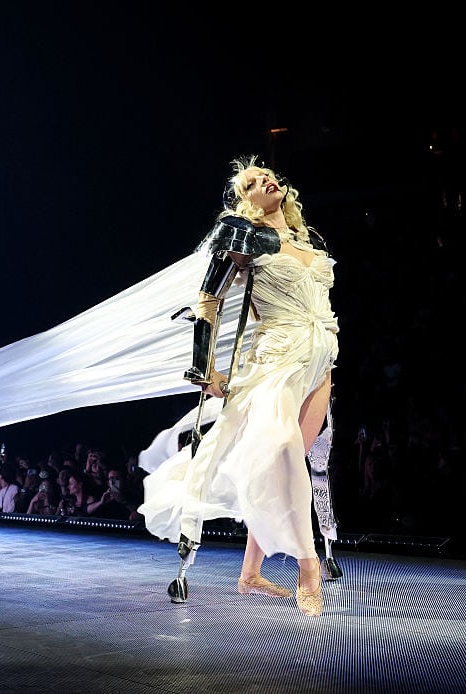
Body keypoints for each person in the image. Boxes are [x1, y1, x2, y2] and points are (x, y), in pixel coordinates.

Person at [138, 156, 339, 617]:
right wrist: (202, 371)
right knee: (285, 450)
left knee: (281, 468)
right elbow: (208, 302)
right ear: (243, 200)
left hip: (321, 362)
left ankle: (250, 572)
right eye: (251, 182)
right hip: (275, 362)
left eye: (266, 174)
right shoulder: (242, 235)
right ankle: (308, 569)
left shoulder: (303, 241)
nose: (265, 179)